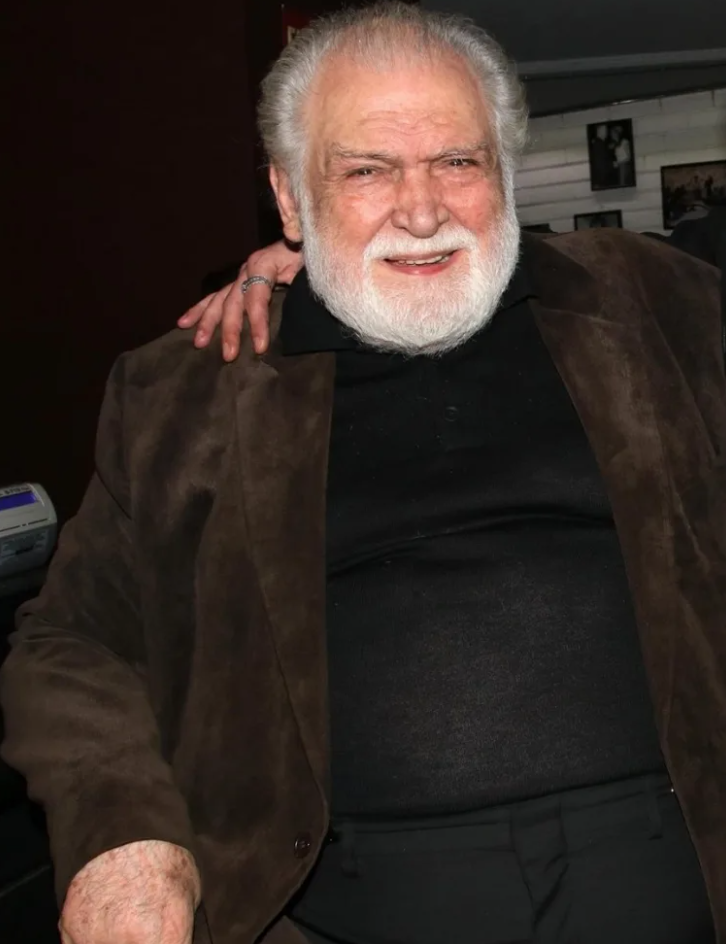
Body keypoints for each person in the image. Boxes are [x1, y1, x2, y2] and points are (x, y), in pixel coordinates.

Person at [2, 4, 725, 944]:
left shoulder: (656, 304)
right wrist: (121, 835)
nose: (420, 211)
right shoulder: (187, 393)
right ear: (290, 198)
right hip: (338, 905)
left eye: (457, 162)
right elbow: (70, 640)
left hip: (681, 864)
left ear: (504, 172)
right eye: (366, 171)